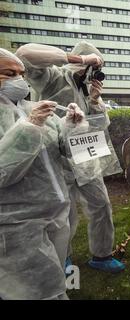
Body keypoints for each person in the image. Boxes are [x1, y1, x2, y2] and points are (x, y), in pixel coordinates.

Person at [15, 42, 125, 274]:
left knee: (101, 206)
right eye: (93, 65)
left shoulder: (87, 88)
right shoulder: (52, 77)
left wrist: (95, 100)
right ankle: (63, 258)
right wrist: (80, 60)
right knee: (64, 214)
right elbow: (24, 56)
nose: (92, 72)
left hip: (85, 158)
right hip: (56, 158)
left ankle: (102, 255)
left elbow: (101, 124)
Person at [0, 48, 84, 299]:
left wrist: (72, 126)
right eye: (9, 73)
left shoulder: (35, 110)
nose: (20, 80)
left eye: (22, 74)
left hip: (56, 216)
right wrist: (29, 127)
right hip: (15, 226)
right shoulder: (33, 117)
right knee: (35, 292)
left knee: (56, 283)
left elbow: (67, 154)